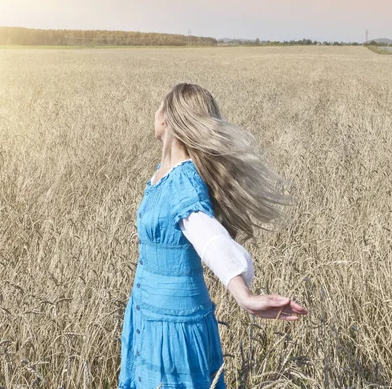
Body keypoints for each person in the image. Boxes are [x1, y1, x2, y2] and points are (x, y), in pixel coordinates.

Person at [117, 83, 308, 389]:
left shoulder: (183, 181)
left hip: (172, 323)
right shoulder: (164, 174)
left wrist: (244, 295)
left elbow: (209, 236)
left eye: (158, 107)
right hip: (146, 313)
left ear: (167, 118)